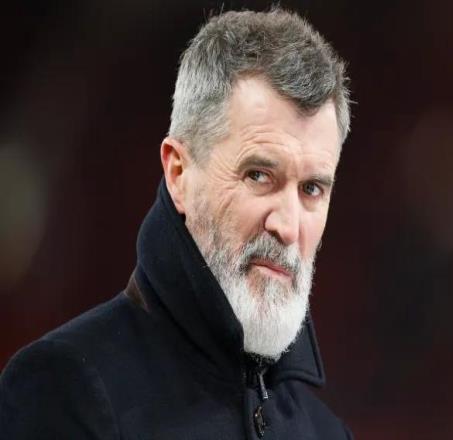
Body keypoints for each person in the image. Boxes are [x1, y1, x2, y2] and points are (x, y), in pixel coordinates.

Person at [0, 8, 352, 439]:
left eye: (312, 189)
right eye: (259, 175)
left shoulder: (327, 432)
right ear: (179, 173)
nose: (288, 226)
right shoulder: (65, 389)